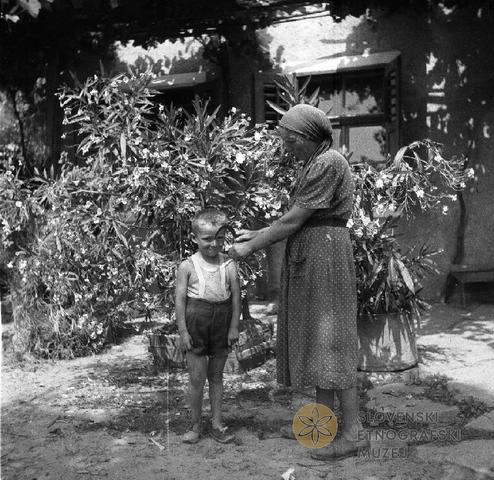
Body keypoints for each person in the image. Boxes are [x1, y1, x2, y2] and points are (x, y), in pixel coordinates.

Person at [228, 104, 364, 460]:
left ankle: (354, 433)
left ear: (308, 137)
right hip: (316, 254)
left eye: (290, 141)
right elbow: (298, 218)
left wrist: (251, 246)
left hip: (326, 258)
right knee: (322, 343)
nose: (286, 148)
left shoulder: (328, 162)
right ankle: (323, 426)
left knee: (333, 342)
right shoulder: (315, 162)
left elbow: (293, 221)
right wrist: (258, 232)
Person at [175, 208, 240, 444]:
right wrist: (183, 331)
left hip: (221, 325)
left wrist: (234, 327)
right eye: (207, 239)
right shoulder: (187, 266)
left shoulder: (229, 265)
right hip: (196, 326)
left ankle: (217, 423)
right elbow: (180, 301)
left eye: (219, 238)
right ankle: (195, 425)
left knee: (216, 376)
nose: (214, 244)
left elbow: (236, 298)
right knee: (196, 378)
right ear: (195, 238)